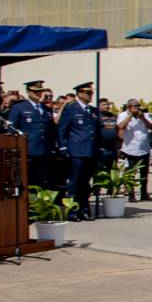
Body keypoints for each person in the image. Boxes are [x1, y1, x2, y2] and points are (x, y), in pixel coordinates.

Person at [57, 82, 99, 218]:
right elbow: (62, 129)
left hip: (90, 151)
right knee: (74, 183)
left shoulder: (93, 111)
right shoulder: (71, 108)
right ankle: (72, 211)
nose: (90, 95)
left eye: (91, 93)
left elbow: (96, 131)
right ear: (79, 94)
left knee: (85, 184)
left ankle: (84, 210)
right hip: (76, 150)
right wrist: (63, 146)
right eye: (87, 93)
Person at [117, 99, 152, 201]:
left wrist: (143, 118)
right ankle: (131, 194)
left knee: (144, 174)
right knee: (130, 174)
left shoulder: (144, 115)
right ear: (129, 107)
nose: (137, 108)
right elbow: (120, 126)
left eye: (138, 105)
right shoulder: (123, 115)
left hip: (144, 149)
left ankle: (144, 193)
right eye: (135, 106)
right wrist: (130, 116)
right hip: (130, 150)